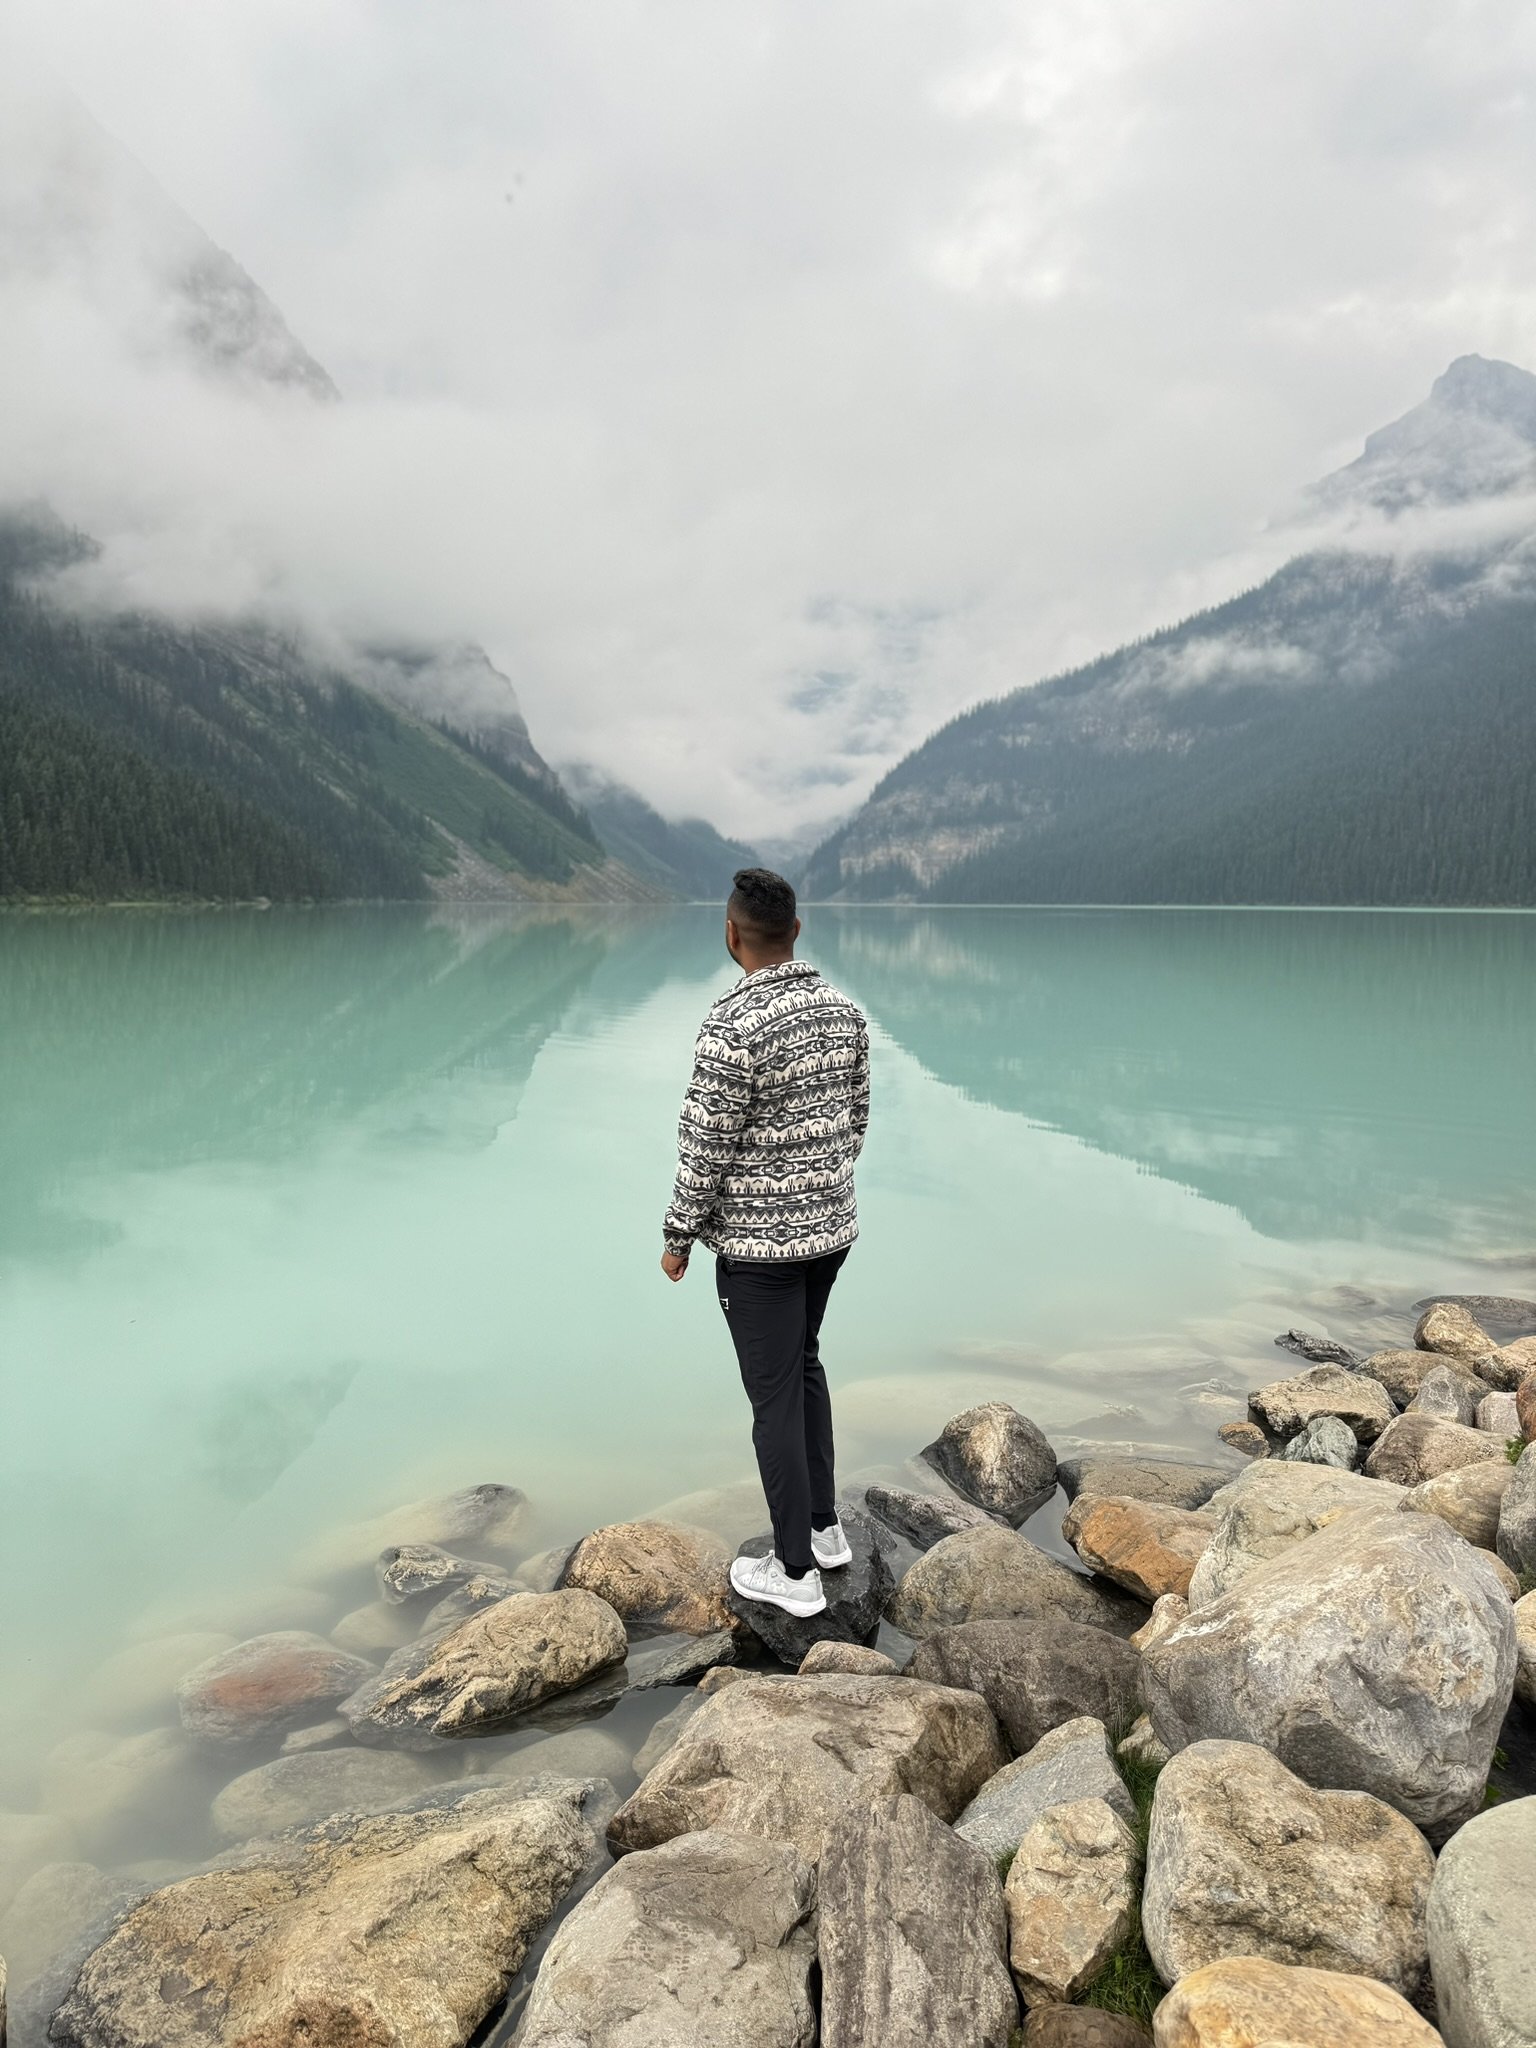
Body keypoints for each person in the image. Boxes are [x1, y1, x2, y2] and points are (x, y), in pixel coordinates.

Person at [660, 867, 871, 1618]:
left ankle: (794, 1576)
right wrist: (817, 1190)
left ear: (730, 932)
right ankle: (825, 1530)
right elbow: (856, 1117)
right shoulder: (844, 1011)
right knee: (804, 1365)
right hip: (831, 1233)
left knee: (773, 1397)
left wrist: (678, 1236)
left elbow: (704, 1147)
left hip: (758, 1251)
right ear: (796, 931)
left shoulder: (729, 1026)